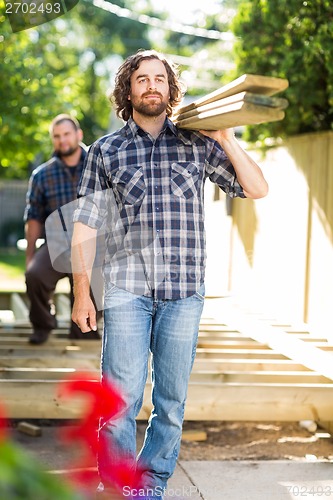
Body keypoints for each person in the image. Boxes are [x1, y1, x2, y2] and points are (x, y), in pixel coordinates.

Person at [71, 50, 268, 499]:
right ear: (129, 90)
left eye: (160, 78)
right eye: (142, 79)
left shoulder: (197, 144)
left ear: (170, 89)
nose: (152, 86)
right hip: (126, 290)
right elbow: (84, 225)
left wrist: (228, 139)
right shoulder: (106, 150)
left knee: (171, 401)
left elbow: (257, 188)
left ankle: (151, 483)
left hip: (184, 292)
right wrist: (82, 292)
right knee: (119, 401)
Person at [24, 113, 100, 345]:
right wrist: (29, 256)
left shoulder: (99, 164)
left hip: (93, 245)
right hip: (57, 245)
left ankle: (84, 329)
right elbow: (34, 217)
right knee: (34, 275)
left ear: (79, 134)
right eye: (56, 136)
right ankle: (43, 325)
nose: (62, 140)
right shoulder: (42, 175)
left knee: (85, 333)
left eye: (66, 134)